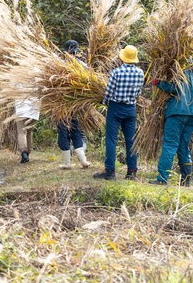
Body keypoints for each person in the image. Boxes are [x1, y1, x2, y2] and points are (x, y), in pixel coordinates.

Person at [94, 45, 145, 181]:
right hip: (130, 109)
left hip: (115, 108)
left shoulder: (116, 72)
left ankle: (110, 171)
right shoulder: (140, 73)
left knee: (111, 139)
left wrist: (103, 102)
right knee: (131, 141)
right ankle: (132, 172)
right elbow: (139, 93)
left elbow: (109, 92)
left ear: (123, 57)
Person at [151, 65, 193, 185]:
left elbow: (175, 87)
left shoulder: (180, 67)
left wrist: (158, 83)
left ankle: (162, 179)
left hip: (177, 112)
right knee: (183, 146)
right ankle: (186, 180)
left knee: (170, 144)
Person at [58, 40, 92, 169]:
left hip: (60, 104)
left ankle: (67, 163)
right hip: (76, 104)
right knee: (75, 130)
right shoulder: (82, 65)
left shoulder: (58, 66)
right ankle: (83, 161)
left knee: (63, 131)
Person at [14, 91, 39, 163]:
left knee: (21, 132)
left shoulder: (16, 79)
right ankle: (28, 153)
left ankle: (24, 153)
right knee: (29, 132)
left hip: (22, 107)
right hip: (34, 107)